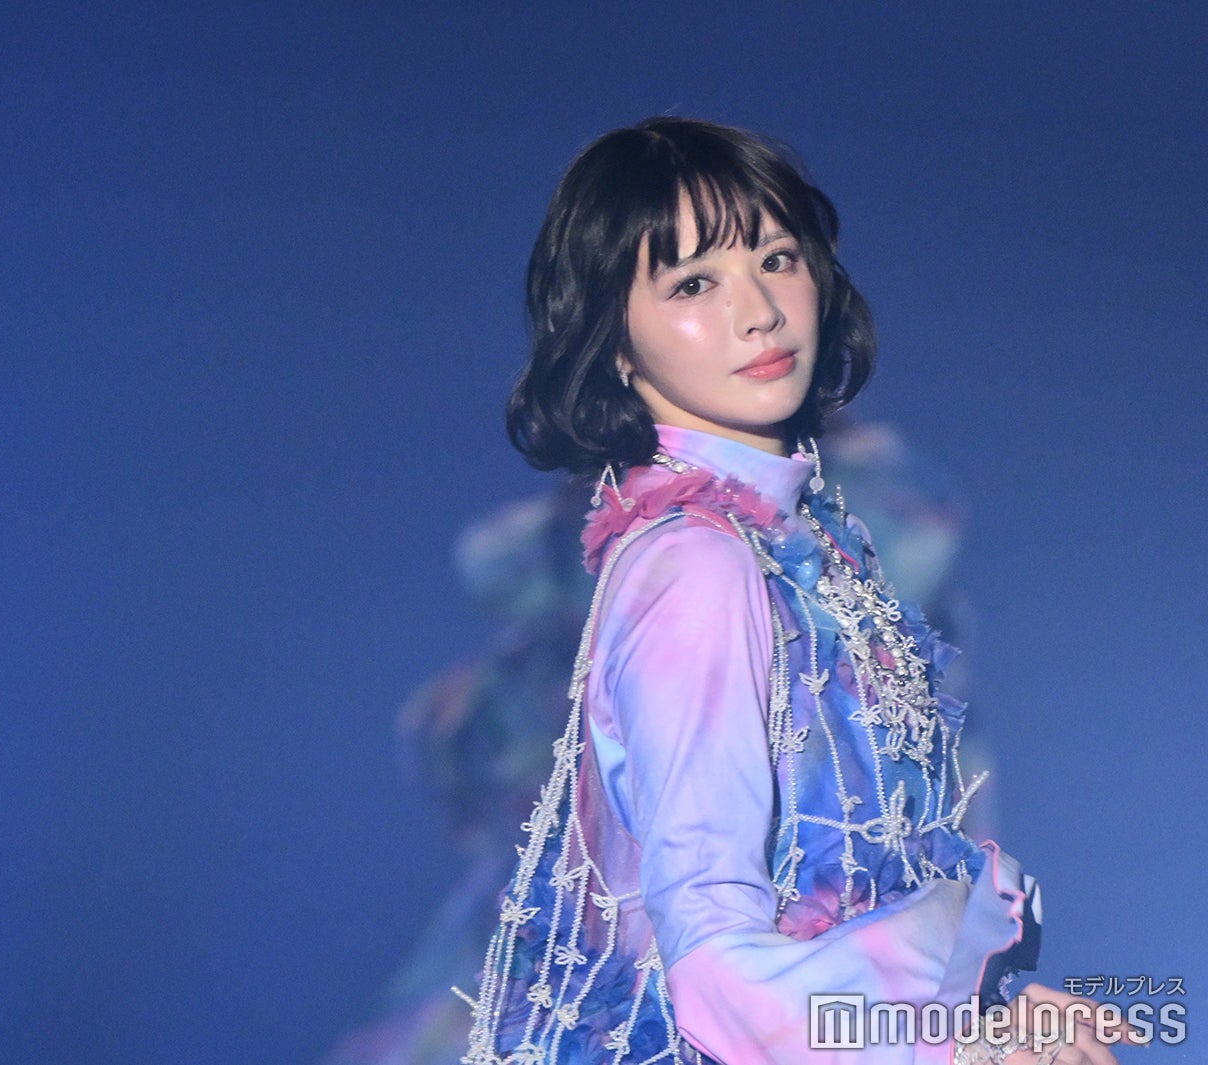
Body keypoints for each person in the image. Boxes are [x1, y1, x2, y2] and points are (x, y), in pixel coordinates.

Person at [459, 117, 1137, 1065]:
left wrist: (990, 1011)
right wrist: (949, 1052)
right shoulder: (696, 564)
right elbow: (712, 968)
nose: (760, 311)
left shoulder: (796, 538)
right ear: (615, 344)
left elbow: (860, 890)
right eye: (693, 283)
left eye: (777, 259)